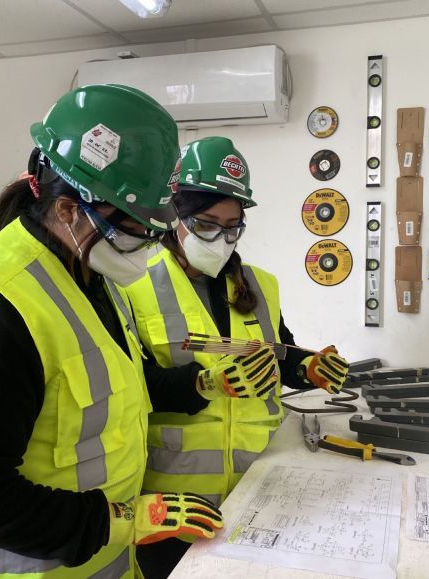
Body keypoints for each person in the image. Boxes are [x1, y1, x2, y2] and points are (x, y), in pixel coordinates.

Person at [0, 85, 223, 579]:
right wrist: (119, 519)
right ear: (68, 210)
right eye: (138, 229)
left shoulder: (89, 270)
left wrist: (201, 385)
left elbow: (125, 387)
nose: (150, 246)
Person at [125, 136, 350, 577]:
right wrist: (207, 384)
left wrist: (306, 368)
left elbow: (278, 353)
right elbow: (131, 385)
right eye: (207, 224)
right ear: (175, 216)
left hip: (257, 485)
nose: (221, 239)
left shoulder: (258, 283)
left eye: (233, 227)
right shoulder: (132, 283)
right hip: (174, 498)